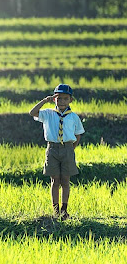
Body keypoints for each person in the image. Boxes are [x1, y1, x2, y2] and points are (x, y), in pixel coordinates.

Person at [29, 84, 84, 220]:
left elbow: (78, 135)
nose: (62, 101)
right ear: (54, 99)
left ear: (71, 100)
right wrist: (44, 101)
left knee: (65, 180)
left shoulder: (73, 117)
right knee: (55, 180)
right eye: (59, 98)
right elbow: (32, 113)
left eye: (66, 98)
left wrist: (71, 148)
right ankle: (55, 210)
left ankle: (64, 209)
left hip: (67, 148)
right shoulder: (48, 113)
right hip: (52, 149)